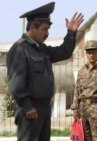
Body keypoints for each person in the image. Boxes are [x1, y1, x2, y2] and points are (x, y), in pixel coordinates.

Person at [7, 2, 83, 141]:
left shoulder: (41, 49)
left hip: (44, 109)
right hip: (30, 110)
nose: (47, 33)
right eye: (44, 29)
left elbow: (64, 52)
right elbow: (16, 82)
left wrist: (71, 33)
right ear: (32, 28)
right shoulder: (20, 49)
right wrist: (27, 106)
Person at [71, 40, 97, 141]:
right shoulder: (82, 70)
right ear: (85, 53)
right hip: (83, 108)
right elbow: (77, 90)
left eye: (94, 52)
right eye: (89, 52)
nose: (91, 55)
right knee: (84, 138)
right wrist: (75, 108)